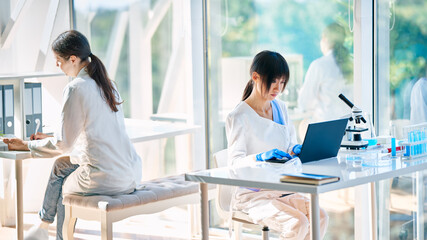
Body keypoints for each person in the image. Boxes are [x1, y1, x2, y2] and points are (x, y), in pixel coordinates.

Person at [3, 30, 142, 240]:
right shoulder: (108, 85)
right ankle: (43, 225)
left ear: (73, 59)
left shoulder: (76, 88)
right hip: (130, 172)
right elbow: (89, 136)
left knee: (63, 184)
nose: (57, 65)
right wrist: (50, 137)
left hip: (106, 177)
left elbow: (63, 145)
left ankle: (53, 233)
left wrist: (25, 144)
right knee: (61, 166)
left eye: (58, 60)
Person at [226, 50, 328, 240]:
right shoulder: (239, 116)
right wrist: (258, 158)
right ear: (255, 77)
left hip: (281, 187)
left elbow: (289, 144)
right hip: (253, 195)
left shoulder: (280, 107)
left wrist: (295, 150)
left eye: (282, 82)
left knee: (320, 216)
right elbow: (234, 165)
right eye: (273, 81)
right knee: (298, 223)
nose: (278, 88)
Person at [298, 22, 353, 123]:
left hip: (328, 127)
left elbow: (304, 104)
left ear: (324, 38)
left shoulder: (319, 65)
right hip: (352, 127)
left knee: (303, 124)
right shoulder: (352, 64)